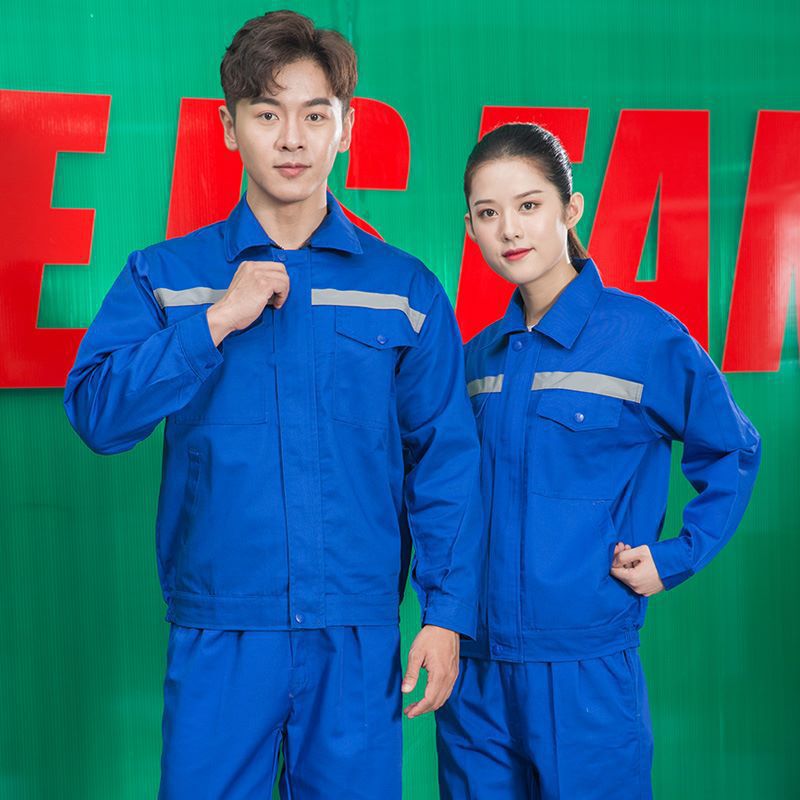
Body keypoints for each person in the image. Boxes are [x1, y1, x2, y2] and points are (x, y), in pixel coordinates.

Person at [64, 11, 482, 799]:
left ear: (345, 130)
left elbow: (445, 459)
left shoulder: (404, 290)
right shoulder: (166, 277)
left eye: (314, 116)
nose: (292, 139)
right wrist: (214, 322)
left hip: (355, 635)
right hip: (220, 628)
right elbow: (95, 414)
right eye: (267, 114)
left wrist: (446, 612)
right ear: (230, 129)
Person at [435, 122, 761, 799]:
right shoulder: (477, 358)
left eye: (529, 205)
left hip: (584, 668)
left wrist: (676, 557)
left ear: (570, 208)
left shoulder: (643, 338)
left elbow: (732, 447)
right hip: (476, 671)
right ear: (470, 228)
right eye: (488, 214)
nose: (509, 230)